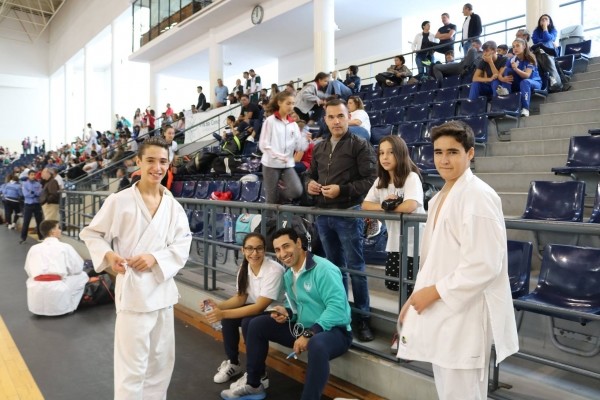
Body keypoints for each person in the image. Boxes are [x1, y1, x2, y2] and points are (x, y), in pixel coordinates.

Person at [397, 120, 518, 400]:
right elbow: (435, 260)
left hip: (466, 314)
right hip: (443, 308)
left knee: (463, 393)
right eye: (438, 152)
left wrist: (433, 292)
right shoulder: (441, 196)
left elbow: (485, 265)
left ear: (470, 153)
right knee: (448, 390)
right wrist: (415, 297)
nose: (444, 160)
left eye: (452, 152)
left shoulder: (478, 196)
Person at [79, 136, 193, 400]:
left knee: (161, 362)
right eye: (150, 160)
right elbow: (92, 233)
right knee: (132, 366)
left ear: (169, 164)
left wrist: (155, 258)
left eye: (163, 161)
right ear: (138, 162)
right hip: (133, 292)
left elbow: (183, 243)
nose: (157, 167)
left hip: (163, 291)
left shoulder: (173, 206)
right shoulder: (119, 201)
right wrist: (109, 255)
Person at [221, 228, 352, 400]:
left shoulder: (324, 269)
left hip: (334, 331)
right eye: (277, 249)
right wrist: (287, 313)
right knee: (256, 324)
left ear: (298, 243)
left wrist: (309, 333)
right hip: (303, 328)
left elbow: (337, 309)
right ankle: (254, 384)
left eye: (286, 246)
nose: (282, 254)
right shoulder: (289, 275)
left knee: (317, 344)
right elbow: (294, 307)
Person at [306, 99, 377, 342]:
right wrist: (310, 184)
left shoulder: (360, 144)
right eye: (331, 117)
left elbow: (371, 180)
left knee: (355, 268)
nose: (336, 121)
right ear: (325, 120)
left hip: (348, 213)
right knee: (334, 270)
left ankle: (362, 319)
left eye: (340, 116)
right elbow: (309, 174)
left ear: (348, 118)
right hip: (324, 215)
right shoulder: (319, 147)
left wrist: (342, 190)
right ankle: (340, 315)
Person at [203, 233, 284, 385]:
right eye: (250, 248)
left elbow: (260, 306)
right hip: (257, 308)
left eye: (259, 248)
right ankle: (233, 363)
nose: (254, 253)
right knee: (229, 320)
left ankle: (259, 374)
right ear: (243, 250)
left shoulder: (274, 270)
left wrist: (222, 313)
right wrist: (216, 306)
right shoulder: (244, 267)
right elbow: (241, 298)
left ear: (265, 249)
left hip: (276, 312)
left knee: (248, 323)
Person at [24, 219, 88, 316]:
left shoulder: (33, 248)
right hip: (58, 291)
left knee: (31, 279)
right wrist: (64, 273)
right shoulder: (65, 247)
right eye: (58, 228)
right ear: (52, 232)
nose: (60, 230)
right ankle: (71, 305)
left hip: (35, 301)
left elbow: (28, 270)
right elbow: (77, 268)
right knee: (83, 275)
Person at [259, 91, 309, 205]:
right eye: (288, 103)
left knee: (297, 191)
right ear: (279, 103)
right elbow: (263, 144)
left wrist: (305, 139)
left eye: (293, 103)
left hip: (287, 165)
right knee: (271, 200)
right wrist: (278, 156)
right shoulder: (270, 121)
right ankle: (272, 206)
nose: (291, 106)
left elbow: (299, 146)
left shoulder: (293, 124)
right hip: (270, 164)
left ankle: (276, 195)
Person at [497, 38, 542, 117]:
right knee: (508, 71)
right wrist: (502, 78)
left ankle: (525, 109)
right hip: (520, 82)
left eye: (518, 46)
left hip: (534, 82)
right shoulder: (512, 59)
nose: (515, 48)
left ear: (524, 46)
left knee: (525, 82)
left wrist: (516, 69)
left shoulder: (530, 58)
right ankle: (506, 94)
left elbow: (527, 75)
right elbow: (500, 74)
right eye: (513, 47)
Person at [20, 169, 44, 244]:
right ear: (28, 175)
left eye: (34, 175)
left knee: (39, 221)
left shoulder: (38, 184)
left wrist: (32, 192)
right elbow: (26, 194)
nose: (33, 176)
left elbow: (40, 193)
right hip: (28, 205)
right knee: (26, 222)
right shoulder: (24, 184)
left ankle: (41, 237)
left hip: (37, 205)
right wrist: (34, 193)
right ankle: (23, 238)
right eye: (31, 175)